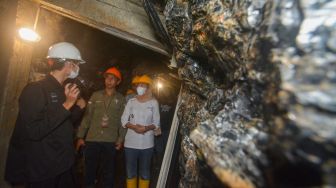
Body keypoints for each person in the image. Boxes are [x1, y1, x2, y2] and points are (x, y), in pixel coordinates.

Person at [5, 42, 86, 187]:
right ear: (66, 63)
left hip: (63, 164)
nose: (77, 67)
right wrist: (67, 104)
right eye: (75, 63)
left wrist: (77, 108)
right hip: (44, 169)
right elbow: (34, 131)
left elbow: (64, 124)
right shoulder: (35, 90)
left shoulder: (64, 90)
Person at [76, 67, 126, 188]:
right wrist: (80, 136)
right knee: (89, 170)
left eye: (112, 78)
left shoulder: (121, 99)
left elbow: (123, 121)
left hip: (110, 140)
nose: (109, 80)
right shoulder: (95, 95)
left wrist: (120, 139)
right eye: (107, 78)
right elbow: (87, 117)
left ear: (118, 82)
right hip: (92, 138)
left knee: (108, 172)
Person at [121, 75, 160, 188]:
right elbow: (124, 119)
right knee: (130, 173)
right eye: (138, 85)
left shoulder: (153, 103)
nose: (139, 87)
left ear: (148, 87)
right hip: (130, 144)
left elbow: (156, 123)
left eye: (142, 85)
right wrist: (134, 127)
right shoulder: (131, 102)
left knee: (145, 173)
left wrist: (146, 128)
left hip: (147, 145)